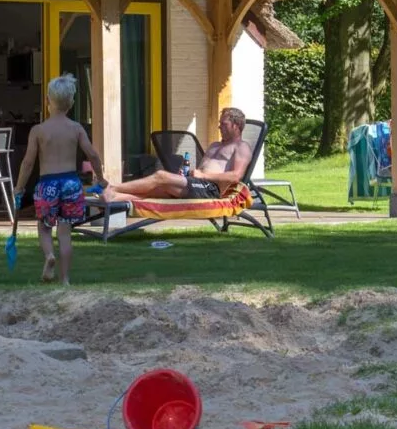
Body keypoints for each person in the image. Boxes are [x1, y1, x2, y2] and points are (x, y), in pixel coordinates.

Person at [14, 74, 106, 285]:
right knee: (65, 234)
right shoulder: (76, 129)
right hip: (71, 184)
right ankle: (65, 280)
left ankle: (49, 256)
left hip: (47, 184)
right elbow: (93, 155)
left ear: (48, 100)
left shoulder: (39, 130)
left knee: (44, 227)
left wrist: (19, 187)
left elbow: (27, 163)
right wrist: (100, 178)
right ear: (71, 103)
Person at [101, 107, 252, 202]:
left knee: (161, 176)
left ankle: (114, 188)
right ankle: (112, 198)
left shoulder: (242, 147)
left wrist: (203, 176)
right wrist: (188, 174)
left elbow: (236, 176)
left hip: (210, 189)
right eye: (220, 123)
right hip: (196, 183)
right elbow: (203, 169)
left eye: (224, 124)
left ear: (236, 126)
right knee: (153, 191)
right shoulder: (215, 145)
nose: (219, 127)